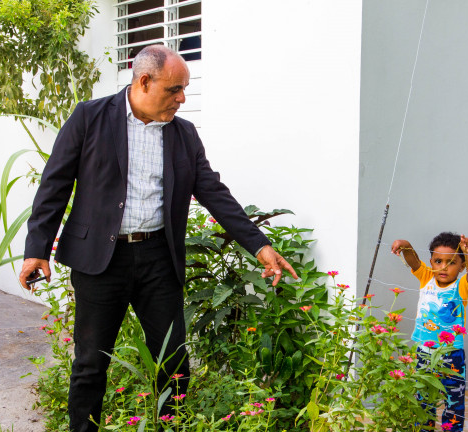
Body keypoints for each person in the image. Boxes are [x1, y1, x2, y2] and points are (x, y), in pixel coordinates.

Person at [18, 44, 298, 432]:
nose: (181, 99)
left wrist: (260, 245)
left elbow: (214, 192)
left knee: (173, 362)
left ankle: (171, 427)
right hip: (100, 261)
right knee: (91, 363)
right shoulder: (90, 117)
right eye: (174, 89)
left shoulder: (183, 134)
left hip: (158, 259)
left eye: (184, 89)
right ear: (145, 82)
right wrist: (37, 249)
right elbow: (55, 185)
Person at [391, 232, 468, 432]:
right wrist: (405, 244)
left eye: (451, 262)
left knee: (453, 400)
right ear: (431, 262)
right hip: (424, 352)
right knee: (423, 398)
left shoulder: (461, 287)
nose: (443, 267)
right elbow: (414, 261)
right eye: (438, 261)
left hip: (451, 355)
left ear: (462, 266)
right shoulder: (426, 277)